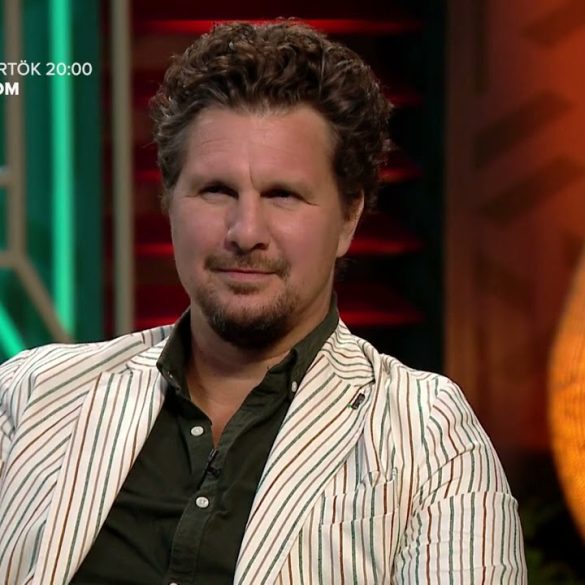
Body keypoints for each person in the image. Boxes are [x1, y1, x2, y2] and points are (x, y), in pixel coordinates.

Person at [0, 21, 526, 585]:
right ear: (169, 201)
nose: (246, 231)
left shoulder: (429, 436)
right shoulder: (31, 395)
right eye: (216, 191)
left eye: (283, 195)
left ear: (348, 219)